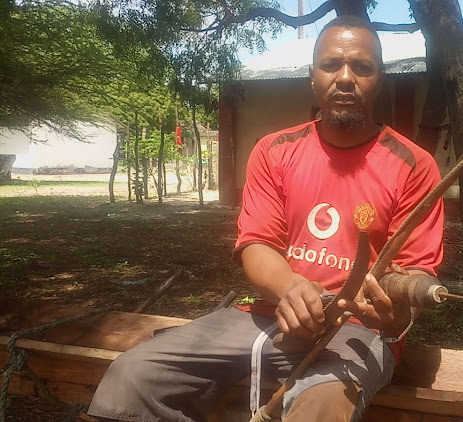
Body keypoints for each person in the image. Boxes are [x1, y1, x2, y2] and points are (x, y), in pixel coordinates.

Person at [87, 15, 444, 422]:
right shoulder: (275, 150)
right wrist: (290, 287)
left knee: (322, 407)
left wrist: (397, 314)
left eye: (361, 67)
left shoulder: (414, 166)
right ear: (313, 77)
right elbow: (256, 243)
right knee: (133, 373)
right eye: (331, 65)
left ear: (379, 78)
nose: (345, 77)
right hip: (269, 314)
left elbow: (414, 274)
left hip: (358, 330)